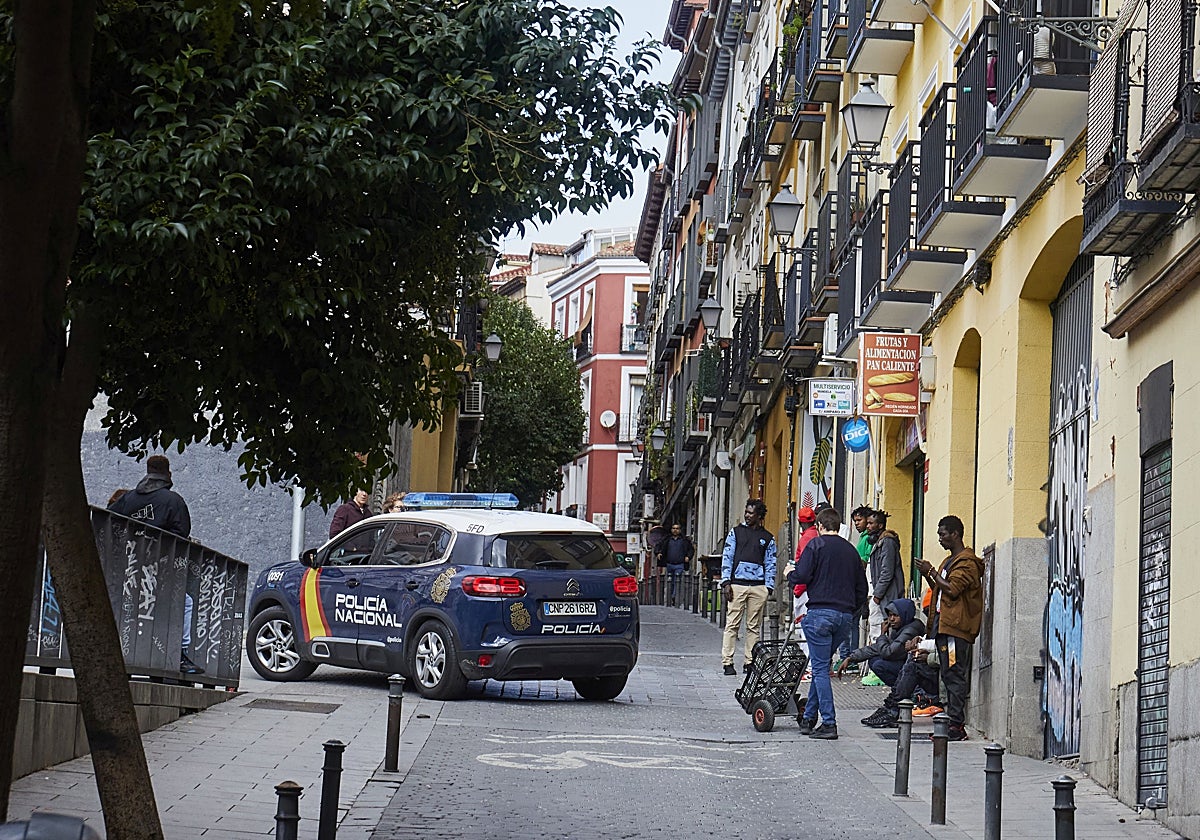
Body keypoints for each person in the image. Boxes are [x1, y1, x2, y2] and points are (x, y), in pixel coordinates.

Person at [108, 455, 202, 675]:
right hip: (161, 570)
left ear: (148, 471)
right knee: (183, 603)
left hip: (128, 569)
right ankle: (179, 655)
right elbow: (182, 533)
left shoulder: (128, 499)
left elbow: (110, 523)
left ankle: (123, 651)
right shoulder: (173, 501)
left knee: (128, 608)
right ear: (168, 474)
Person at [788, 507, 868, 740]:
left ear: (821, 526)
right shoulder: (851, 551)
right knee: (821, 666)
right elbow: (861, 589)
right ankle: (809, 718)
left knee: (820, 669)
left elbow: (802, 576)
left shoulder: (816, 545)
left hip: (820, 614)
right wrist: (849, 610)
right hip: (843, 617)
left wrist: (788, 574)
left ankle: (829, 722)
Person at [913, 515, 985, 741]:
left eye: (943, 534)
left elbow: (953, 589)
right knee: (946, 671)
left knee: (954, 673)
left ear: (955, 534)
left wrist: (931, 570)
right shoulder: (950, 561)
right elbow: (941, 590)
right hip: (944, 627)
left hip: (956, 629)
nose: (940, 539)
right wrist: (929, 575)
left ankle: (956, 724)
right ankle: (952, 719)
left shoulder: (966, 562)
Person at [719, 500, 777, 676]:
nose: (747, 515)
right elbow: (727, 556)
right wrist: (726, 582)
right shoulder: (736, 532)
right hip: (737, 584)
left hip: (758, 587)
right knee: (732, 625)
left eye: (751, 513)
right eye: (746, 512)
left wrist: (768, 587)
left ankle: (749, 662)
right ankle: (727, 662)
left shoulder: (768, 538)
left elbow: (771, 561)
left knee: (754, 626)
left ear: (759, 516)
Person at [836, 598, 925, 689]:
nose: (891, 619)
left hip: (914, 669)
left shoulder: (910, 630)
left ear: (905, 614)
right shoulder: (901, 627)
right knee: (874, 659)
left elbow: (888, 652)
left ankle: (902, 691)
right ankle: (901, 690)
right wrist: (851, 657)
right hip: (905, 663)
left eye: (895, 615)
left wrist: (882, 635)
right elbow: (876, 648)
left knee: (879, 665)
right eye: (890, 615)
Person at [865, 510, 904, 644]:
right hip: (881, 596)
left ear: (880, 525)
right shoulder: (879, 543)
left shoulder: (887, 543)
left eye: (871, 523)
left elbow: (887, 572)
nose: (867, 526)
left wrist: (877, 597)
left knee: (880, 633)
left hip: (886, 597)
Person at [789, 507, 818, 626]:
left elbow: (805, 567)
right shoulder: (817, 534)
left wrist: (798, 589)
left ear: (800, 522)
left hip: (804, 588)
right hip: (814, 587)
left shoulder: (806, 538)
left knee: (803, 626)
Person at [655, 523, 694, 605]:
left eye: (677, 528)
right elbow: (658, 546)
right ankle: (671, 597)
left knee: (677, 580)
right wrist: (658, 553)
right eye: (673, 528)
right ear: (671, 529)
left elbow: (691, 550)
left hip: (680, 564)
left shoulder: (684, 541)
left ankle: (674, 596)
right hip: (669, 564)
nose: (675, 530)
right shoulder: (667, 540)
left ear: (680, 530)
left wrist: (688, 557)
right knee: (670, 581)